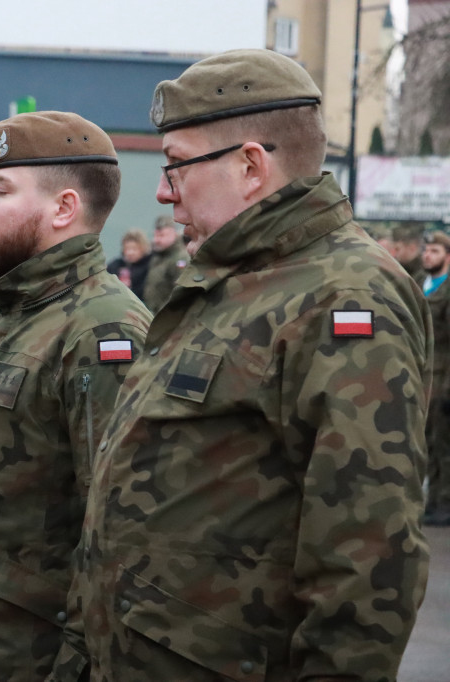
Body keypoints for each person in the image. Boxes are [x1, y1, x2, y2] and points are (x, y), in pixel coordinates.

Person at [83, 49, 431, 681]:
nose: (163, 191)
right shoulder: (234, 279)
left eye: (176, 166)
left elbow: (368, 551)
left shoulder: (345, 294)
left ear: (249, 166)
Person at [0, 111, 151, 681]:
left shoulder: (101, 330)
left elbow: (116, 532)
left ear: (63, 208)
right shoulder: (14, 313)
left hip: (25, 658)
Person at [422, 230, 450, 527]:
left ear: (447, 257)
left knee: (444, 446)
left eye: (435, 251)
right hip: (425, 377)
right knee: (428, 443)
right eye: (427, 250)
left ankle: (444, 504)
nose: (428, 256)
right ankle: (432, 502)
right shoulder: (421, 284)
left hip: (444, 379)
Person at [141, 214, 188, 311]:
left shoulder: (181, 259)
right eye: (155, 235)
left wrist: (164, 314)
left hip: (167, 315)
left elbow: (180, 291)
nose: (156, 240)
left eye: (162, 235)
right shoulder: (157, 258)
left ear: (174, 234)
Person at [106, 228, 151, 299]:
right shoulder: (115, 265)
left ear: (143, 249)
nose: (130, 253)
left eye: (134, 249)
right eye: (127, 249)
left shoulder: (149, 266)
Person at [392, 221, 427, 285]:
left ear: (412, 248)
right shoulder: (400, 270)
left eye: (398, 249)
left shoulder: (426, 275)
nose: (394, 254)